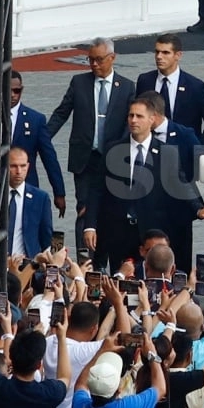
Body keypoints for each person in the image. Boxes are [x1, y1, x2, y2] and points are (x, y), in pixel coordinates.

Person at [83, 98, 204, 271]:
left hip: (150, 232)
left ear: (152, 119)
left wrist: (197, 208)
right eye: (131, 116)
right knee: (120, 279)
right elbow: (96, 189)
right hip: (118, 232)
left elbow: (181, 183)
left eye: (139, 116)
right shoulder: (113, 149)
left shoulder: (167, 152)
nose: (133, 120)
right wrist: (90, 225)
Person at [47, 37, 136, 257]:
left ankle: (107, 255)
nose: (94, 65)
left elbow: (129, 125)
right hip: (85, 159)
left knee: (111, 209)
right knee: (84, 209)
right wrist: (43, 138)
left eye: (99, 60)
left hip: (113, 161)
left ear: (112, 58)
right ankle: (86, 260)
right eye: (90, 60)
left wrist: (120, 151)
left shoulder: (126, 87)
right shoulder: (79, 83)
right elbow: (61, 113)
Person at [0, 70, 66, 217]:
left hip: (22, 185)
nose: (13, 95)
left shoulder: (36, 120)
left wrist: (59, 192)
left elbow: (49, 157)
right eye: (9, 90)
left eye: (17, 90)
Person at [71, 334, 166, 408]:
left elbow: (80, 385)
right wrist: (152, 354)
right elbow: (160, 388)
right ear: (118, 390)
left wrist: (101, 351)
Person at [136, 33, 204, 147]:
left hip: (183, 152)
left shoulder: (195, 87)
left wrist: (201, 148)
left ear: (178, 55)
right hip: (149, 150)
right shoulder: (145, 81)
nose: (159, 56)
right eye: (157, 52)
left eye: (165, 52)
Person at [0, 146, 53, 259]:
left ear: (28, 166)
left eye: (23, 166)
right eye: (13, 166)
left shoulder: (40, 198)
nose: (19, 171)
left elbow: (46, 236)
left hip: (27, 266)